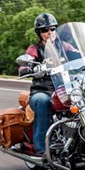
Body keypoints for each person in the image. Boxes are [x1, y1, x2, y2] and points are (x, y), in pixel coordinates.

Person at [18, 12, 59, 156]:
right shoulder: (35, 48)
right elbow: (27, 60)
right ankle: (41, 148)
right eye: (45, 30)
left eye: (52, 29)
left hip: (63, 89)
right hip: (42, 91)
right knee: (43, 102)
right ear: (39, 32)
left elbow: (78, 53)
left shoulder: (63, 46)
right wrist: (25, 68)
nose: (49, 32)